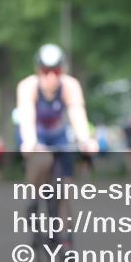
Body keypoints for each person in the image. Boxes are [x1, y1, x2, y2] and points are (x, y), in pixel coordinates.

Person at [17, 43, 98, 250]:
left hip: (59, 136)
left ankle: (67, 242)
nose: (51, 77)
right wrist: (29, 141)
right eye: (46, 71)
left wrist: (85, 139)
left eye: (55, 71)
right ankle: (33, 200)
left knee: (66, 189)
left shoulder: (70, 86)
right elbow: (27, 115)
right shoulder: (28, 86)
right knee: (42, 159)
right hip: (36, 135)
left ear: (62, 70)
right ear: (38, 70)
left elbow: (77, 113)